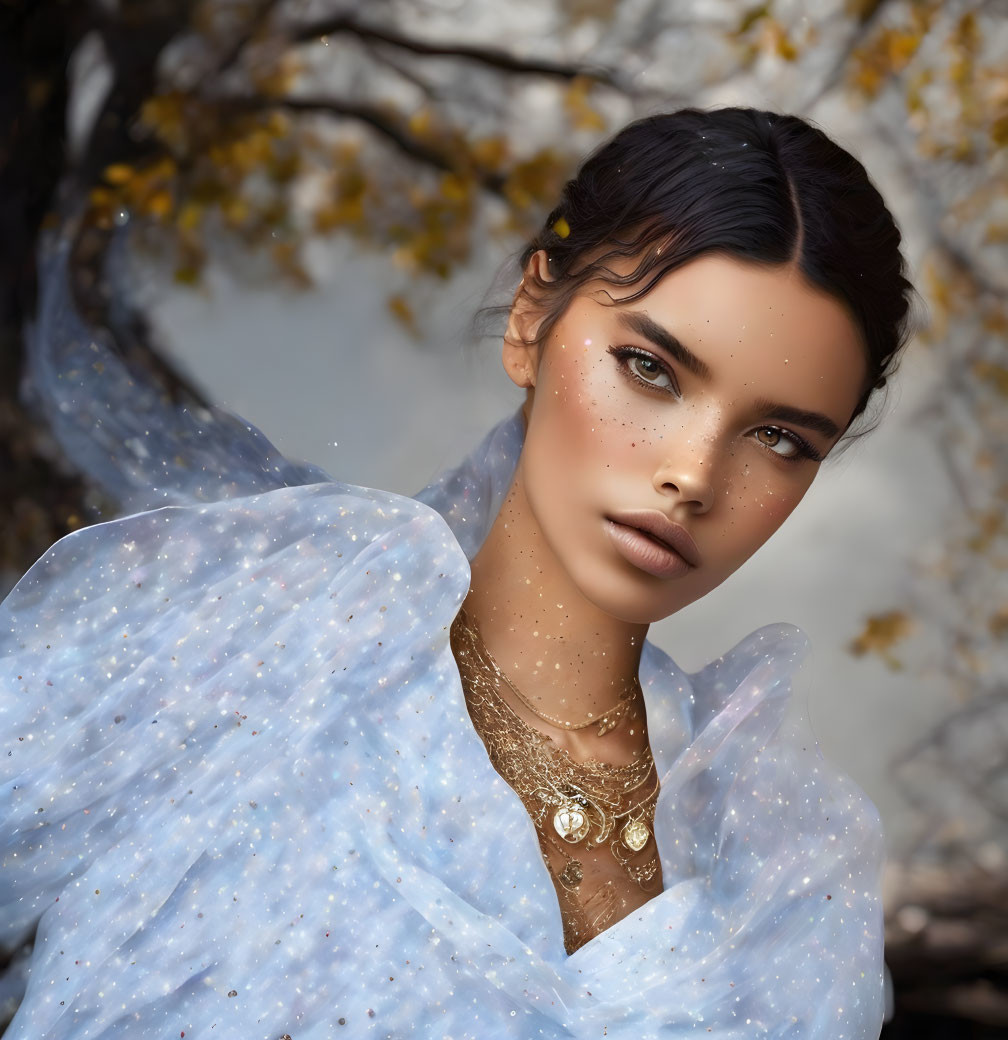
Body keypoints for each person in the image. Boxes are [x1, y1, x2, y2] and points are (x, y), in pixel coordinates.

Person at [1, 107, 913, 1038]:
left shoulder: (783, 856)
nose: (694, 473)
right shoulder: (268, 633)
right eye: (649, 368)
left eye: (779, 438)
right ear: (531, 319)